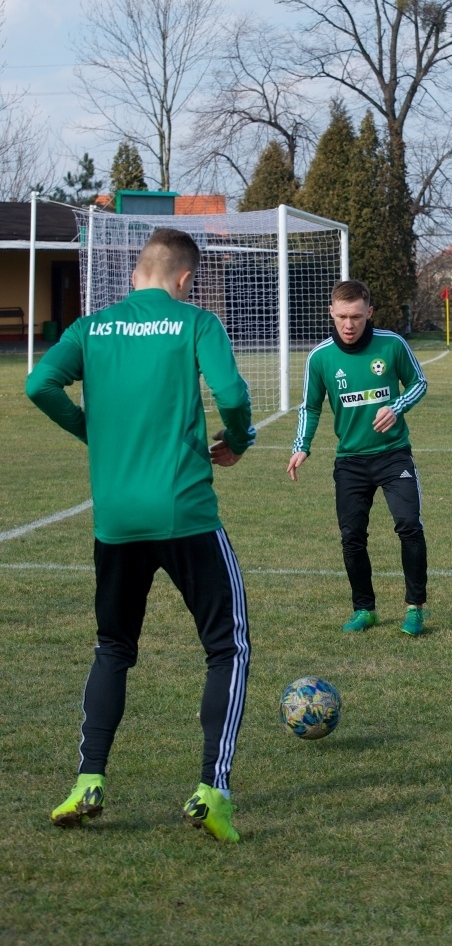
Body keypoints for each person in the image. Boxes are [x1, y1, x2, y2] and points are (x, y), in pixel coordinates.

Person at [25, 228, 255, 843]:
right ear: (185, 281)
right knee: (228, 647)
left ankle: (88, 780)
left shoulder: (91, 328)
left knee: (113, 648)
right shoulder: (195, 322)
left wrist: (90, 432)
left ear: (135, 277)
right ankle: (213, 790)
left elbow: (37, 385)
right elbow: (232, 393)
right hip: (184, 512)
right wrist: (240, 440)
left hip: (116, 519)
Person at [287, 279, 429, 636]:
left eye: (356, 316)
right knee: (352, 536)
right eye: (342, 317)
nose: (349, 324)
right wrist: (301, 445)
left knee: (408, 524)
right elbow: (310, 406)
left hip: (393, 455)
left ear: (369, 312)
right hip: (350, 460)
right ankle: (364, 608)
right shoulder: (320, 357)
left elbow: (419, 383)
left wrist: (396, 407)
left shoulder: (391, 345)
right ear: (331, 313)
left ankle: (415, 608)